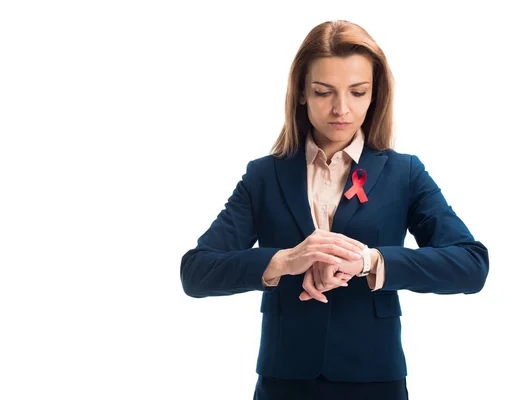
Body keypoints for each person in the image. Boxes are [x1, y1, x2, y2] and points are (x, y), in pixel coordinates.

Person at [180, 20, 488, 400]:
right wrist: (284, 260)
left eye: (358, 92)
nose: (342, 109)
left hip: (374, 377)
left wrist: (369, 261)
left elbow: (471, 265)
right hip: (284, 380)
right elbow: (196, 272)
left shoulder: (404, 173)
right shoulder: (264, 175)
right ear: (301, 93)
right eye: (324, 92)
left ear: (375, 95)